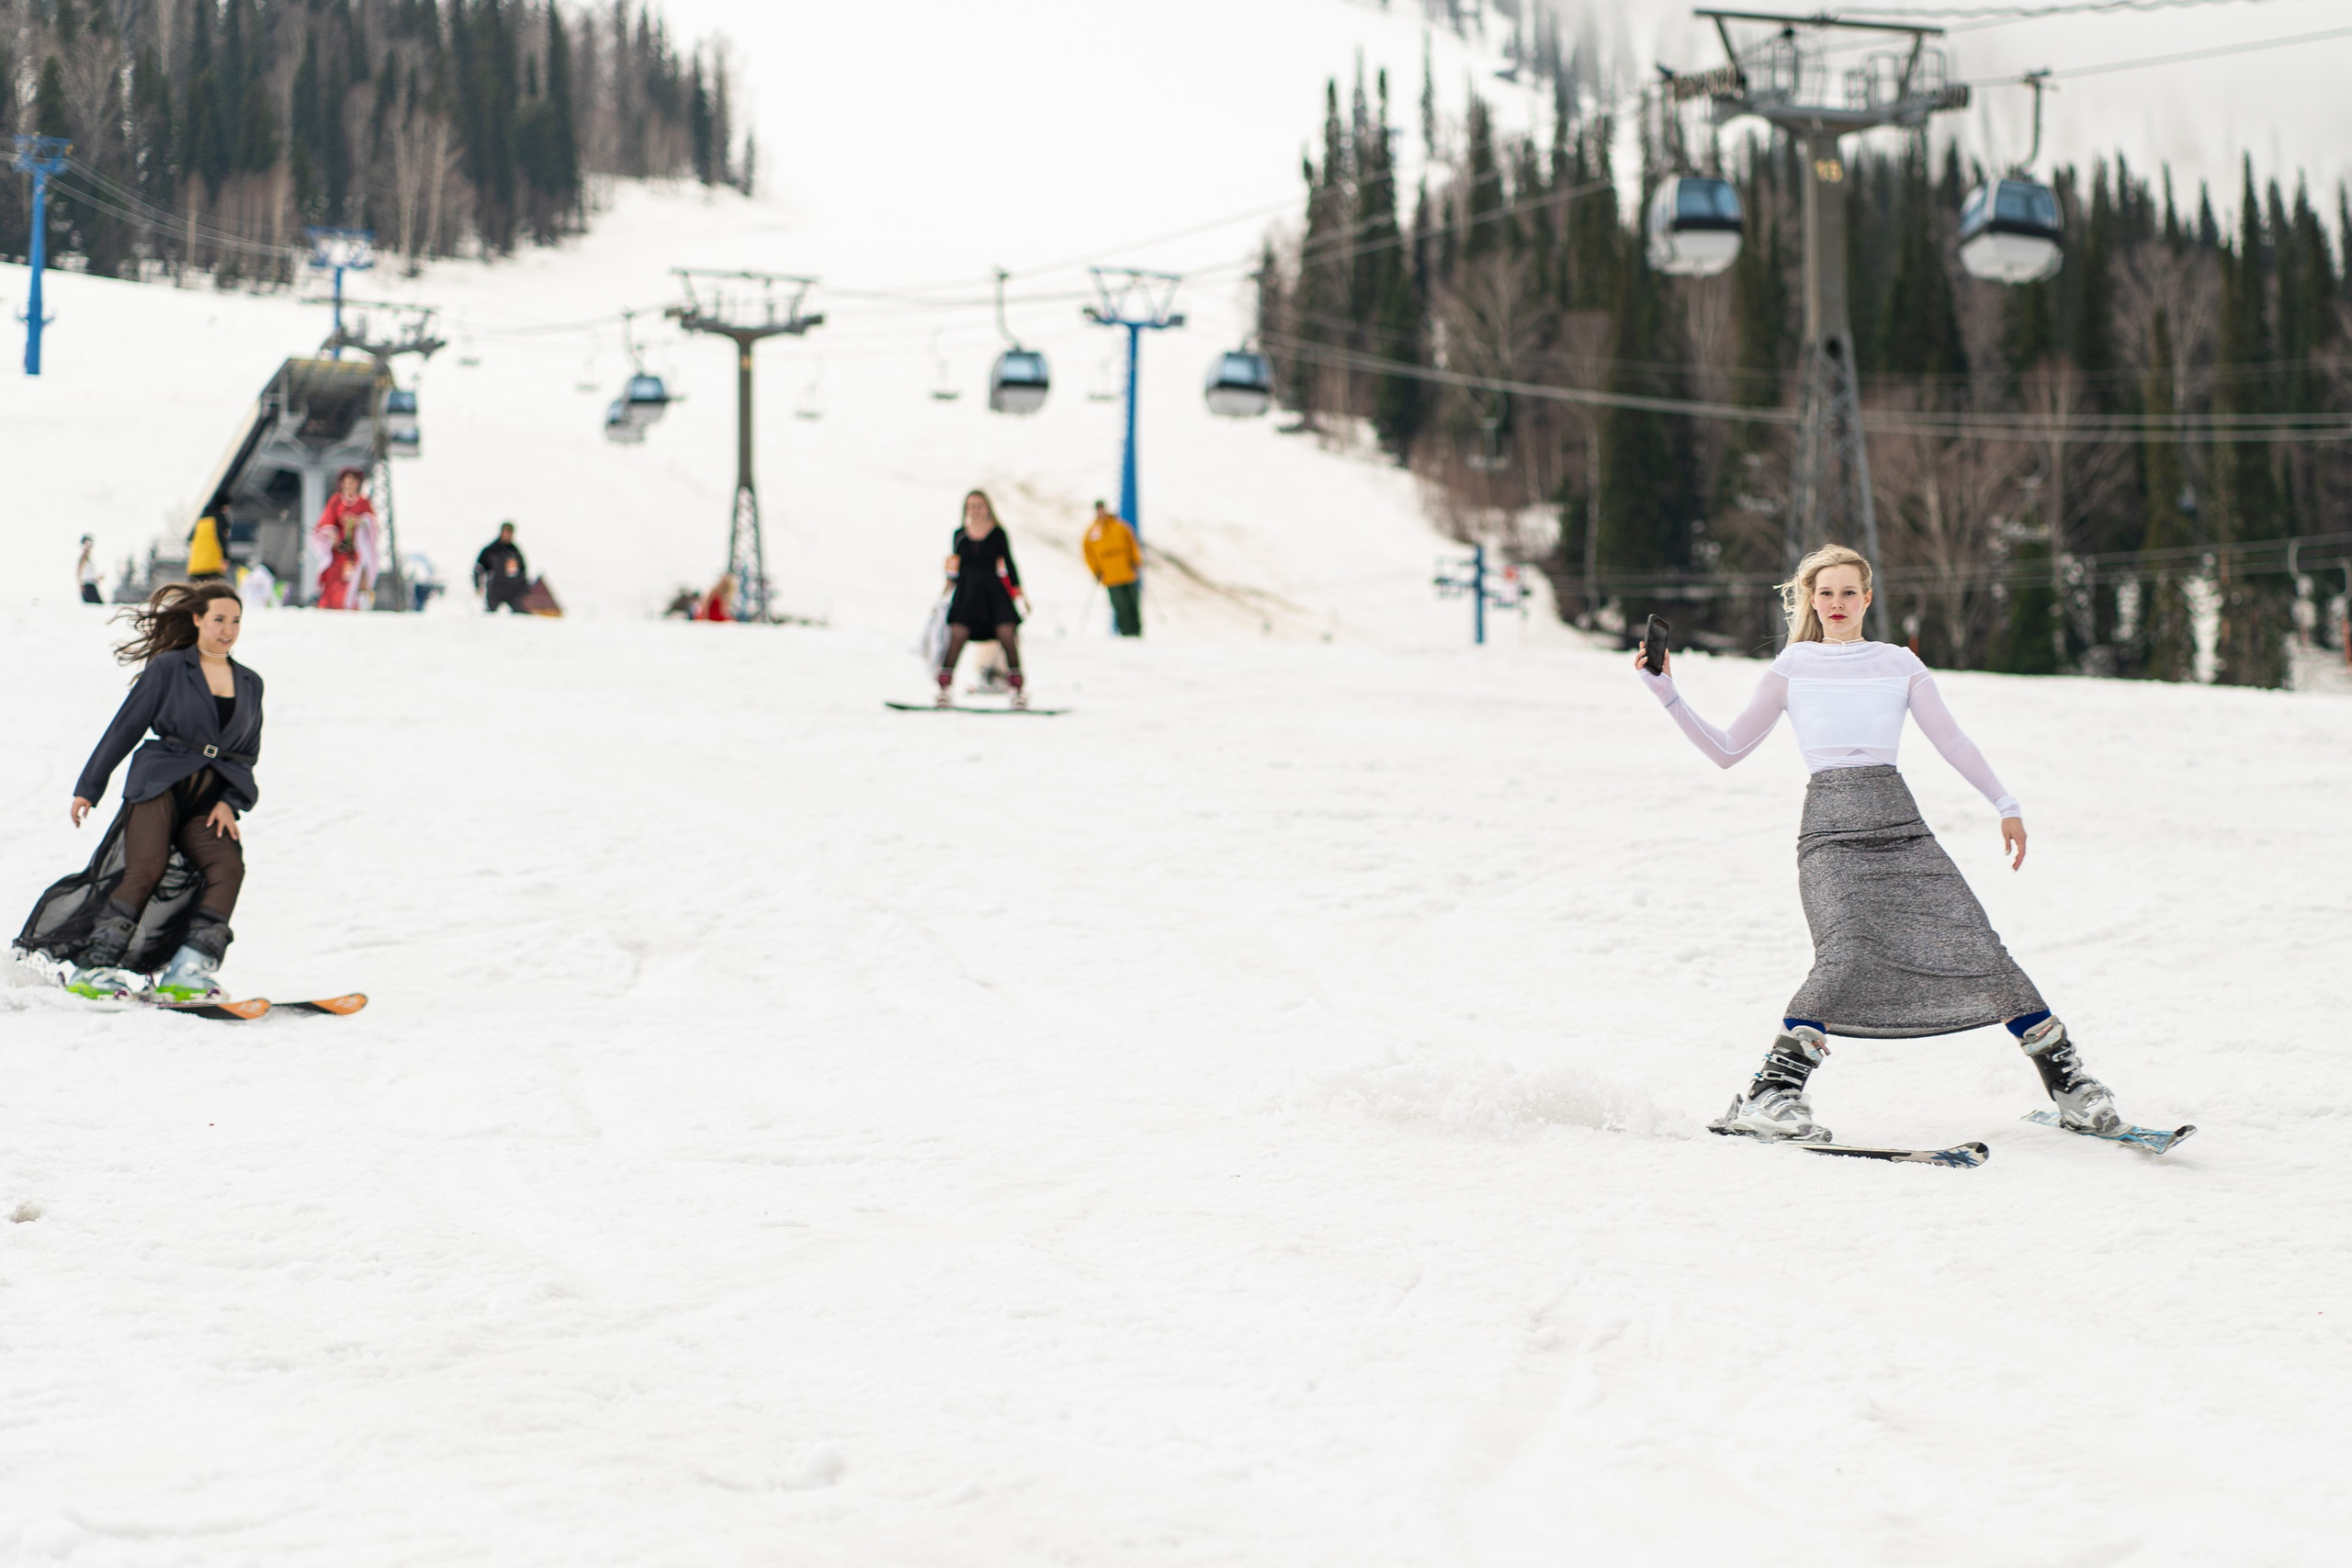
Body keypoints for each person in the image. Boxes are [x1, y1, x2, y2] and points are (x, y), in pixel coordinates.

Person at [1634, 543, 2131, 1145]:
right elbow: (1727, 749)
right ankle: (1771, 1094)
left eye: (1849, 592)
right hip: (1830, 834)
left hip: (1901, 829)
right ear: (1811, 600)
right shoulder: (1793, 665)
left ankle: (2070, 1087)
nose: (1837, 602)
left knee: (1979, 946)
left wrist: (2006, 804)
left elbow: (1953, 741)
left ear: (1867, 598)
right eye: (1826, 593)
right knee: (1844, 954)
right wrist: (1666, 692)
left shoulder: (1898, 663)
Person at [13, 581, 264, 1002]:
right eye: (219, 619)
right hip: (159, 784)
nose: (228, 630)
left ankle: (188, 970)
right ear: (197, 619)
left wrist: (229, 801)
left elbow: (246, 753)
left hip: (207, 801)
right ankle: (94, 968)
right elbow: (126, 726)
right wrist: (89, 787)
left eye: (236, 621)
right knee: (145, 869)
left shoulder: (251, 683)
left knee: (227, 866)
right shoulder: (169, 668)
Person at [934, 490, 1030, 708]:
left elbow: (1009, 564)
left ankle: (1017, 691)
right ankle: (944, 689)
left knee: (1007, 634)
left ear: (988, 508)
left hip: (994, 594)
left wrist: (1020, 594)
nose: (975, 510)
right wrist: (944, 592)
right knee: (957, 636)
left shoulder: (998, 534)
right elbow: (954, 568)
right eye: (971, 506)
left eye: (979, 505)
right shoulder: (959, 535)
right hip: (967, 595)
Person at [311, 468, 374, 610]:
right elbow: (326, 521)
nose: (350, 484)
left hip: (355, 553)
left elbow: (371, 523)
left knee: (354, 582)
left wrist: (359, 521)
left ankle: (352, 607)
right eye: (347, 481)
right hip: (338, 553)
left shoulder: (364, 503)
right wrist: (330, 533)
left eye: (353, 481)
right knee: (333, 581)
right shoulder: (336, 501)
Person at [1083, 499, 1142, 637]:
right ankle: (1126, 633)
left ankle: (1136, 631)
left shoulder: (1120, 527)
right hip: (1110, 575)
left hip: (1127, 571)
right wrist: (1096, 571)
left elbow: (1132, 544)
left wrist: (1136, 561)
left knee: (1133, 603)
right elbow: (1088, 554)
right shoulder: (1092, 532)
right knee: (1120, 606)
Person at [476, 523, 530, 614]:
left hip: (513, 590)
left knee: (521, 615)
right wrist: (478, 585)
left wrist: (525, 591)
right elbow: (479, 568)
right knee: (489, 615)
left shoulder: (515, 552)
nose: (508, 535)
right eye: (506, 532)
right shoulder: (491, 550)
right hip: (495, 590)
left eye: (510, 533)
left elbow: (522, 573)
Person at [77, 535, 102, 604]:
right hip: (87, 585)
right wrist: (81, 584)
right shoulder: (84, 557)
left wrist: (96, 579)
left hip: (91, 584)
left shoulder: (89, 558)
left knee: (98, 605)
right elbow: (79, 571)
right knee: (97, 605)